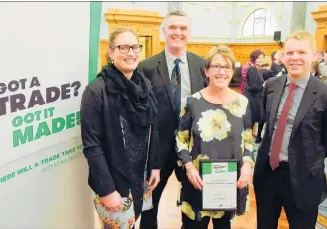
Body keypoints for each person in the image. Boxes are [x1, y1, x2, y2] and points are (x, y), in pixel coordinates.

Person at [253, 31, 327, 229]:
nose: (295, 57)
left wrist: (309, 156)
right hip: (267, 173)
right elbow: (267, 125)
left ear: (314, 55)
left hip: (303, 177)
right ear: (283, 55)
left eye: (302, 52)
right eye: (290, 52)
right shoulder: (271, 85)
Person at [80, 27, 161, 228]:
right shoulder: (97, 91)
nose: (131, 53)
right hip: (114, 183)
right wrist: (107, 189)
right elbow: (92, 146)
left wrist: (155, 166)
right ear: (111, 52)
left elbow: (153, 130)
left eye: (135, 47)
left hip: (140, 179)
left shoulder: (144, 86)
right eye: (124, 47)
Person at [139, 10, 206, 229]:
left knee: (193, 206)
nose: (178, 32)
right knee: (150, 206)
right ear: (164, 31)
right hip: (158, 151)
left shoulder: (201, 65)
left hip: (192, 149)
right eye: (173, 28)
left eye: (183, 28)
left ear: (190, 32)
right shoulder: (146, 67)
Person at [176, 45, 254, 229]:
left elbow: (249, 139)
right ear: (207, 70)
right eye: (216, 66)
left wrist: (247, 166)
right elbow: (181, 139)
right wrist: (189, 168)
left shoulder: (242, 103)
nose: (222, 72)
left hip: (229, 184)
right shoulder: (192, 102)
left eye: (227, 67)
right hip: (197, 181)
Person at [244, 49, 265, 143]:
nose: (261, 59)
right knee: (250, 122)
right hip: (253, 100)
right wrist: (263, 85)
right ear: (254, 59)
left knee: (255, 121)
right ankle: (247, 143)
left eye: (262, 58)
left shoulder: (257, 69)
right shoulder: (252, 70)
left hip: (256, 99)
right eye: (258, 58)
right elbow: (251, 87)